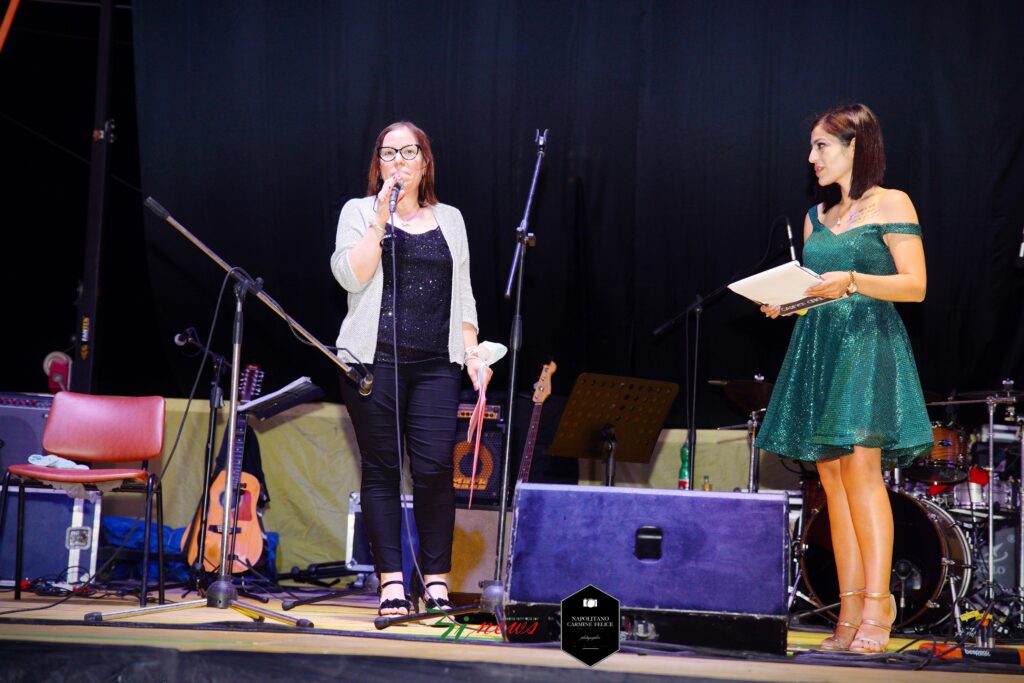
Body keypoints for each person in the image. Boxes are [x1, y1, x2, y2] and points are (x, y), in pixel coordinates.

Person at [754, 103, 933, 654]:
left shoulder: (891, 203)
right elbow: (817, 290)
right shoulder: (815, 218)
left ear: (855, 145)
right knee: (830, 485)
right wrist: (788, 305)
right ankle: (849, 611)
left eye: (821, 146)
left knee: (861, 475)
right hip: (819, 346)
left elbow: (916, 286)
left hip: (868, 344)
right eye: (811, 148)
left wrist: (853, 279)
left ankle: (880, 603)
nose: (812, 158)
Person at [331, 121, 491, 616]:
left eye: (408, 152)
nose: (398, 161)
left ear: (425, 162)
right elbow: (349, 275)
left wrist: (473, 355)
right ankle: (392, 584)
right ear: (377, 164)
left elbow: (462, 292)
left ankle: (437, 583)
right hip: (371, 362)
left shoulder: (452, 219)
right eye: (388, 153)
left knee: (434, 470)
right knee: (381, 471)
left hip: (435, 368)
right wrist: (381, 219)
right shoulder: (358, 211)